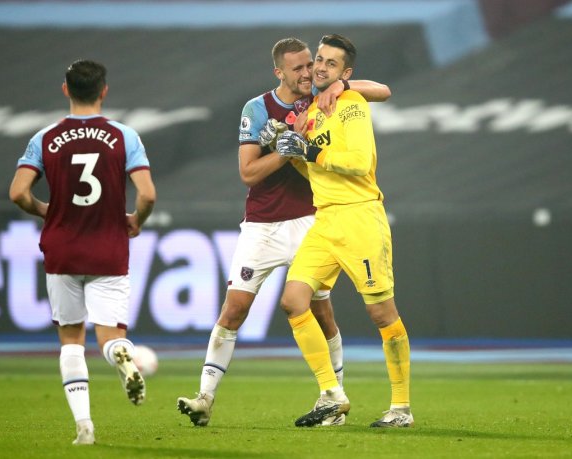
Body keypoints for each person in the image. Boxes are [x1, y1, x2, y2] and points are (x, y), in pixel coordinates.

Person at [176, 37, 391, 427]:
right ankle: (204, 397)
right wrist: (286, 150)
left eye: (311, 65)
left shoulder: (325, 94)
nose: (309, 73)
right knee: (234, 309)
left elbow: (383, 90)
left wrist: (342, 85)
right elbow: (247, 173)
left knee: (320, 310)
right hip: (261, 224)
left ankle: (333, 398)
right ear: (279, 72)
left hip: (312, 219)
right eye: (299, 68)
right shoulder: (257, 109)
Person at [9, 59, 156, 445]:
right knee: (111, 338)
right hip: (108, 249)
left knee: (71, 342)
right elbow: (148, 193)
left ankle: (84, 428)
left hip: (62, 249)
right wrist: (136, 219)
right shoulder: (125, 136)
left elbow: (18, 192)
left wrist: (45, 210)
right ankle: (123, 356)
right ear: (104, 91)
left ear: (65, 90)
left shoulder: (44, 138)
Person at [275, 34, 413, 428]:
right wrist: (291, 150)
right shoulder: (314, 111)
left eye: (331, 63)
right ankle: (331, 395)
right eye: (319, 59)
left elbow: (356, 162)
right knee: (293, 300)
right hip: (326, 220)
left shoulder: (350, 103)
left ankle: (401, 408)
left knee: (381, 312)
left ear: (346, 73)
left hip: (359, 217)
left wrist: (310, 151)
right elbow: (317, 167)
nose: (320, 67)